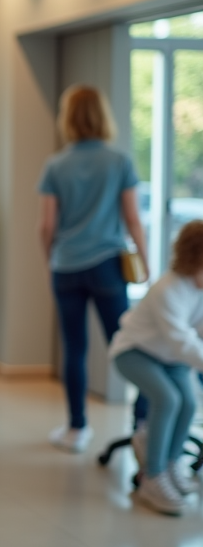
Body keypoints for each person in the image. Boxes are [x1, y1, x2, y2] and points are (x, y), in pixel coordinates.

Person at [38, 84, 148, 453]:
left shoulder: (56, 164)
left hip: (66, 265)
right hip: (107, 266)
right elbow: (133, 219)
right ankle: (143, 422)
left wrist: (49, 260)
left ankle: (76, 429)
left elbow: (46, 226)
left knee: (75, 348)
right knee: (127, 343)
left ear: (67, 118)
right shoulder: (119, 161)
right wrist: (146, 261)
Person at [109, 220, 203, 515]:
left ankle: (171, 463)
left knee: (189, 402)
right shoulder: (168, 289)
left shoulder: (199, 287)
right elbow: (181, 341)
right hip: (134, 352)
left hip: (170, 358)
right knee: (167, 399)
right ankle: (153, 476)